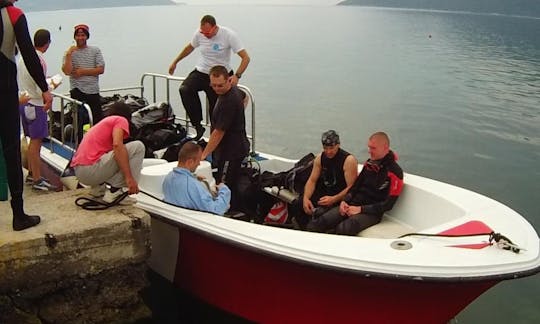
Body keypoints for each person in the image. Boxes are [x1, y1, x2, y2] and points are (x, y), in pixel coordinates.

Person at [1, 0, 53, 231]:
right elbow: (29, 55)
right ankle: (18, 215)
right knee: (11, 151)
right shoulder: (13, 15)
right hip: (4, 91)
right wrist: (44, 88)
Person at [168, 14, 250, 140]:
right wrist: (175, 62)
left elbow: (246, 58)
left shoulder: (228, 35)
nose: (205, 35)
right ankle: (198, 125)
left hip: (221, 76)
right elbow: (189, 47)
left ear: (215, 27)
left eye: (208, 33)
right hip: (202, 72)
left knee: (216, 112)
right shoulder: (199, 33)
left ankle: (218, 142)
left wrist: (237, 76)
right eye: (203, 32)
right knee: (185, 89)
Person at [307, 132, 404, 236]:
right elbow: (355, 186)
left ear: (385, 147)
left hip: (371, 212)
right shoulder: (369, 164)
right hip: (352, 204)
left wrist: (360, 209)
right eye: (369, 147)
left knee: (344, 228)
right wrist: (345, 201)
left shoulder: (395, 173)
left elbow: (388, 204)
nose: (369, 151)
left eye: (373, 148)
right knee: (317, 224)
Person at [70, 102, 145, 204]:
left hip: (80, 173)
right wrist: (129, 178)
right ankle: (115, 191)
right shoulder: (120, 120)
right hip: (90, 170)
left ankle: (98, 188)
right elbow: (117, 145)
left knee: (109, 153)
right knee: (138, 147)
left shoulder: (103, 123)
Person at [201, 65, 249, 211]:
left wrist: (204, 154)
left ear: (229, 80)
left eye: (220, 85)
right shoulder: (234, 91)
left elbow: (218, 132)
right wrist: (238, 114)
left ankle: (226, 211)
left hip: (232, 150)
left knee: (223, 183)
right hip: (230, 146)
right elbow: (245, 97)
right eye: (213, 85)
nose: (217, 89)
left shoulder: (228, 101)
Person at [18, 28, 58, 191]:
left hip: (24, 102)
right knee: (36, 143)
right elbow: (38, 84)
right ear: (47, 43)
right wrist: (48, 91)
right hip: (36, 104)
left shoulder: (22, 58)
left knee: (30, 142)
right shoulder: (39, 60)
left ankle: (31, 174)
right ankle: (37, 179)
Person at [295, 130, 358, 229]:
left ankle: (313, 231)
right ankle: (303, 230)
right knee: (298, 204)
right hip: (326, 194)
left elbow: (352, 188)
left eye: (332, 148)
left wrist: (334, 199)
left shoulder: (348, 160)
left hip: (341, 198)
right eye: (325, 148)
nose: (328, 151)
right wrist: (306, 198)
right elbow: (312, 180)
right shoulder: (320, 158)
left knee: (320, 218)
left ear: (338, 145)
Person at [62, 23, 105, 140]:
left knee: (97, 120)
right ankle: (79, 143)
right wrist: (69, 54)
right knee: (79, 120)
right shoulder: (69, 53)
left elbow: (101, 69)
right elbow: (67, 71)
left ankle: (97, 142)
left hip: (93, 90)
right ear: (74, 37)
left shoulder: (95, 50)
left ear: (87, 36)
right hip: (77, 91)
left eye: (83, 35)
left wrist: (82, 72)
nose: (80, 38)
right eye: (78, 35)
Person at [163, 141, 231, 215]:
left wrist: (193, 177)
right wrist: (224, 190)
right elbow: (216, 210)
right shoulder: (193, 186)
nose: (199, 164)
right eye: (198, 161)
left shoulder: (168, 178)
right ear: (190, 162)